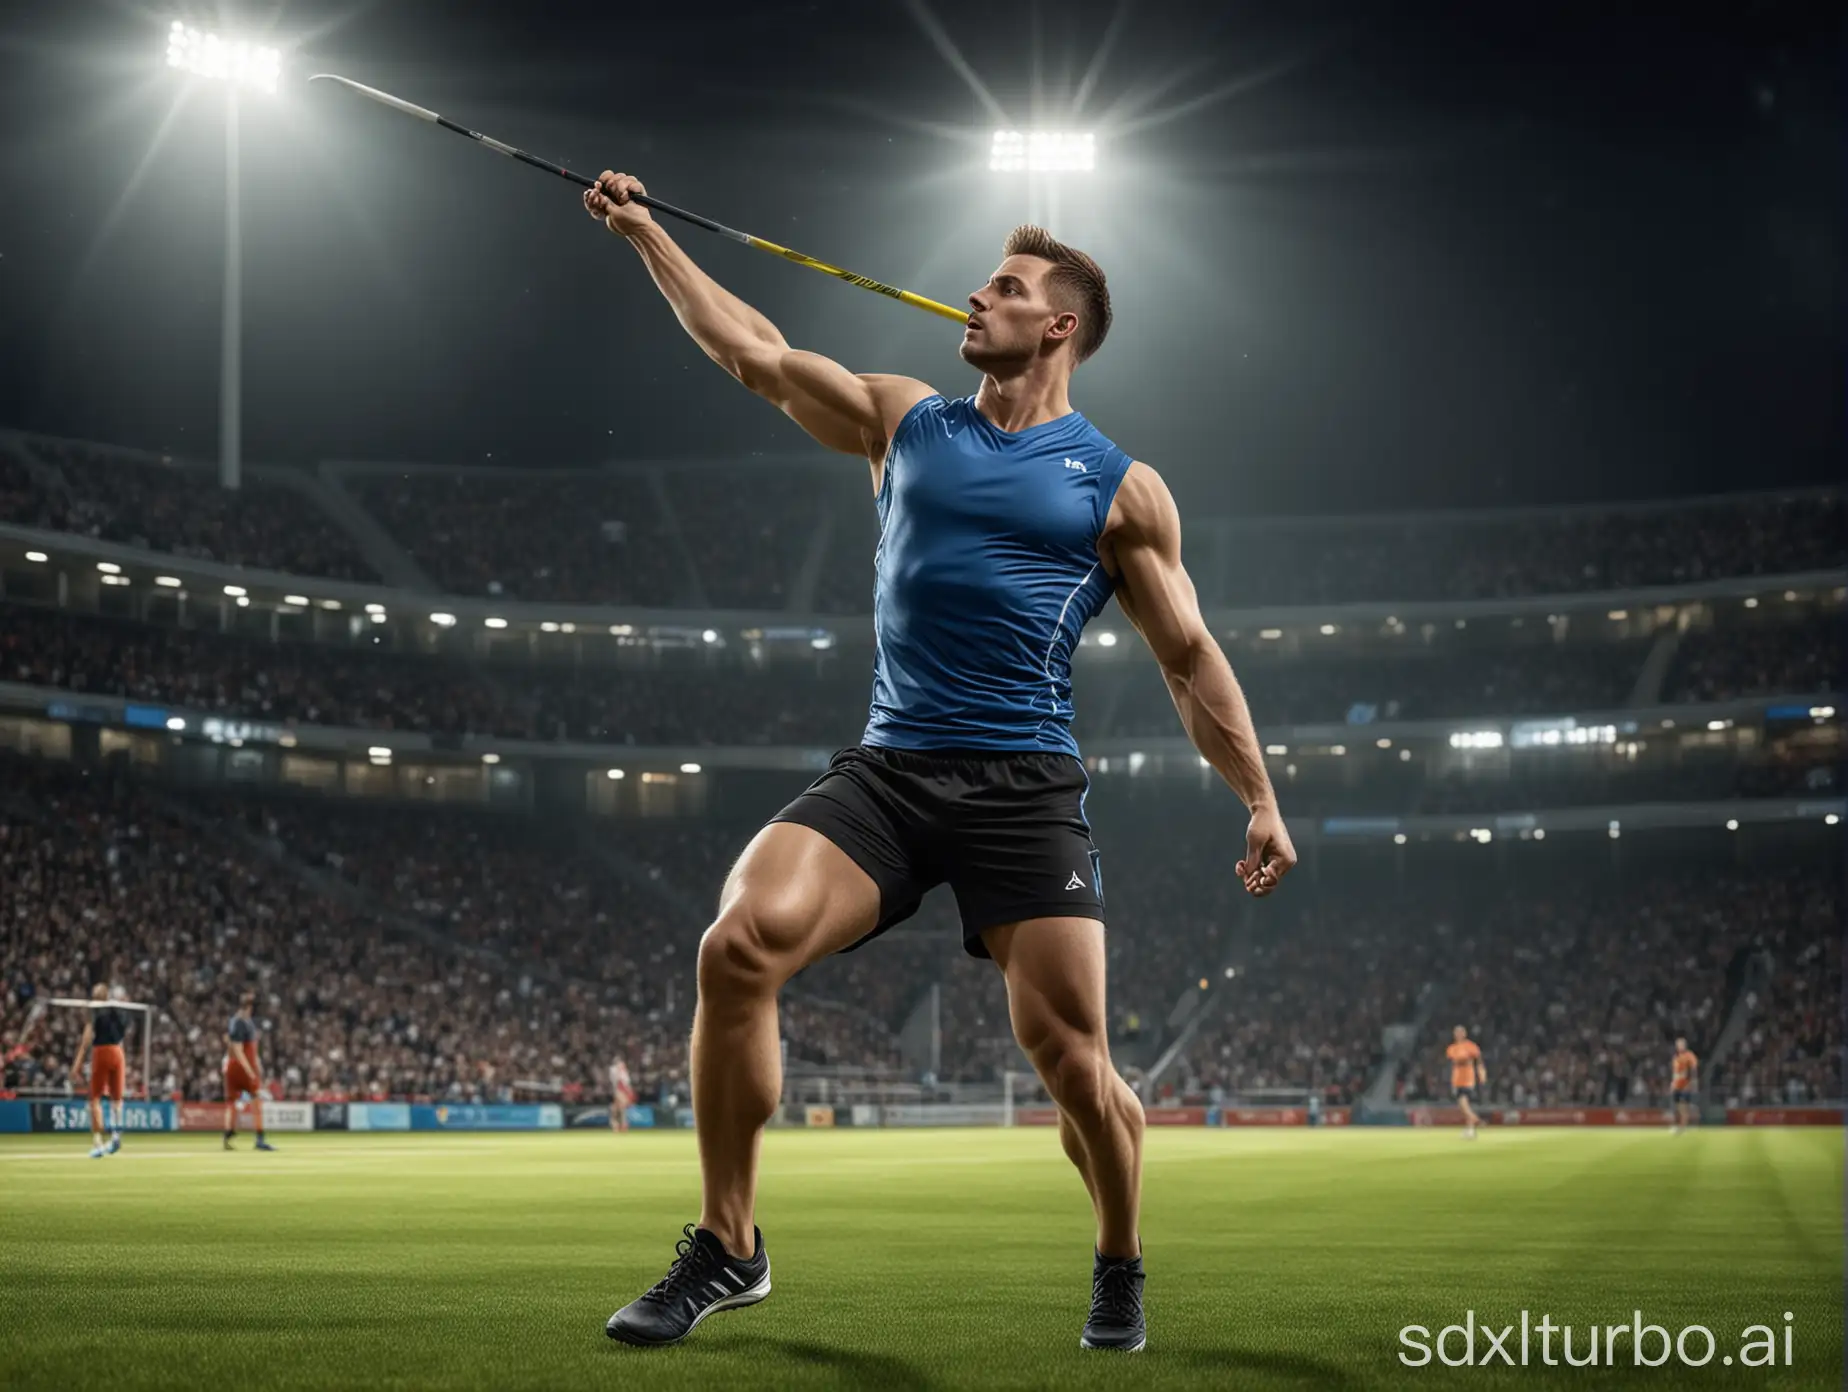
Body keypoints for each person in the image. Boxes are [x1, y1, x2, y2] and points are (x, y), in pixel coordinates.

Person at [584, 171, 1296, 1353]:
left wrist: (1261, 797)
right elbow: (757, 354)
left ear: (1058, 326)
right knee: (736, 945)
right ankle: (729, 1246)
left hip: (1025, 789)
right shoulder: (905, 419)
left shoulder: (1120, 488)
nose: (977, 294)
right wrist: (648, 234)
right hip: (891, 772)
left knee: (1074, 1064)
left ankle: (1118, 1260)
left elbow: (1190, 658)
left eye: (1006, 288)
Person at [68, 984, 129, 1159]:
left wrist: (77, 1064)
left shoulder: (95, 1012)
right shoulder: (117, 1010)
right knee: (116, 1098)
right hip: (118, 1052)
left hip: (102, 1051)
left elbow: (86, 1039)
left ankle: (98, 1142)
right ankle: (117, 1135)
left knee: (94, 1098)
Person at [223, 992, 275, 1152]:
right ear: (249, 1007)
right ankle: (260, 1139)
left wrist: (257, 1065)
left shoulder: (234, 1022)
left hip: (232, 1067)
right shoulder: (242, 1023)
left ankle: (228, 1135)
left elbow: (233, 1047)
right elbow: (239, 1050)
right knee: (256, 1101)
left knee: (231, 1102)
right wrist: (251, 1070)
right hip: (242, 1067)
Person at [1446, 1025, 1486, 1139]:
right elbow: (1454, 1060)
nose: (1458, 1034)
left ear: (1464, 1034)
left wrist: (1482, 1073)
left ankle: (1475, 1120)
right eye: (1456, 1032)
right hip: (1457, 1079)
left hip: (1468, 1078)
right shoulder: (1452, 1048)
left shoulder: (1471, 1046)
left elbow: (1479, 1061)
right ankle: (1471, 1129)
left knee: (1463, 1102)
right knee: (1464, 1104)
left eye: (1460, 1032)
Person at [1669, 1036, 1699, 1134]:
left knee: (1683, 1106)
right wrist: (1673, 1083)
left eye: (1681, 1044)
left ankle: (1683, 1128)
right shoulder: (1675, 1057)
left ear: (1685, 1046)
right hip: (1677, 1085)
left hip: (1685, 1085)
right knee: (1677, 1107)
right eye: (1678, 1045)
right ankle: (1678, 1126)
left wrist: (1693, 1082)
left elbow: (1693, 1069)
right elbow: (1675, 1073)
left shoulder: (1689, 1056)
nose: (1679, 1046)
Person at [610, 1056, 635, 1134]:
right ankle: (621, 1124)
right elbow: (615, 1080)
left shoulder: (624, 1072)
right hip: (618, 1089)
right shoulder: (613, 1069)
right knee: (619, 1107)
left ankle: (618, 1125)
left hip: (624, 1090)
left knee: (618, 1107)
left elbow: (627, 1082)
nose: (621, 1064)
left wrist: (629, 1091)